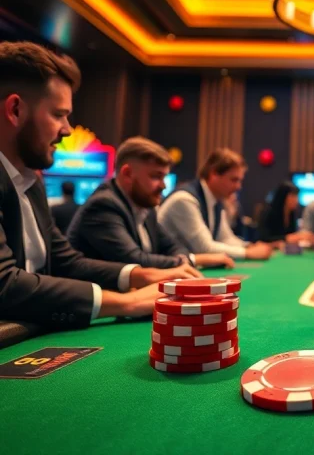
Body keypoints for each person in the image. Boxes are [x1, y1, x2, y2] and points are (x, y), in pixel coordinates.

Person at [0, 41, 196, 329]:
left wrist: (142, 275)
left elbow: (66, 262)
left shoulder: (30, 182)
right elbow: (4, 284)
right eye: (58, 115)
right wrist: (127, 302)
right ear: (15, 110)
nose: (67, 129)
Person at [67, 137, 234, 270]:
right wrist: (192, 260)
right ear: (127, 173)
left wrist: (183, 259)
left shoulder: (146, 206)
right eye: (156, 176)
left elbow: (173, 246)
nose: (163, 185)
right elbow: (134, 260)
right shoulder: (104, 205)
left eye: (164, 177)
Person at [159, 148, 273, 260]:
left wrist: (249, 246)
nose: (238, 187)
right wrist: (247, 253)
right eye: (234, 180)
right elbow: (204, 248)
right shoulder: (184, 200)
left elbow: (225, 238)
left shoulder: (216, 199)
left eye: (240, 181)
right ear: (213, 174)